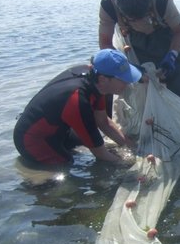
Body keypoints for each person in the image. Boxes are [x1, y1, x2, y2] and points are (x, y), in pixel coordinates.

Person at [13, 49, 142, 165]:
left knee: (93, 143)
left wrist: (134, 148)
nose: (128, 83)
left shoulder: (94, 79)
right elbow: (100, 154)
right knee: (66, 164)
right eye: (124, 80)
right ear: (103, 79)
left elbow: (103, 122)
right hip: (32, 140)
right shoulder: (78, 100)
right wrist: (132, 163)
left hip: (57, 129)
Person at [99, 0, 180, 112]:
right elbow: (105, 45)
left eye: (144, 17)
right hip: (134, 43)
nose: (139, 23)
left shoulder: (162, 1)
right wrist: (127, 67)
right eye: (134, 20)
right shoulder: (108, 5)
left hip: (167, 38)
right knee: (142, 94)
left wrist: (172, 55)